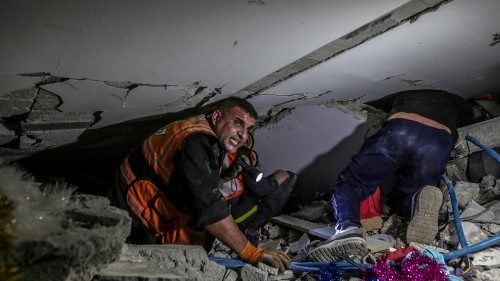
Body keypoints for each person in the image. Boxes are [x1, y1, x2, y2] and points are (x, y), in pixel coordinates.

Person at [109, 97, 291, 271]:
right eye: (238, 123)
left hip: (151, 195)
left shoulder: (201, 129)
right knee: (132, 264)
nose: (243, 135)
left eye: (248, 128)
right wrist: (252, 253)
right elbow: (211, 209)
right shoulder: (198, 143)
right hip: (132, 206)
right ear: (217, 116)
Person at [309, 89, 474, 262]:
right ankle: (412, 207)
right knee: (414, 193)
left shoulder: (401, 95)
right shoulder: (457, 100)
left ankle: (348, 229)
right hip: (437, 142)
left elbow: (371, 106)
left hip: (399, 131)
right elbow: (473, 113)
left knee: (352, 183)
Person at [219, 143, 298, 233]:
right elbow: (262, 189)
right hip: (243, 221)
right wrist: (275, 180)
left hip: (228, 219)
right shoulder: (240, 158)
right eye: (253, 158)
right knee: (289, 176)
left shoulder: (222, 154)